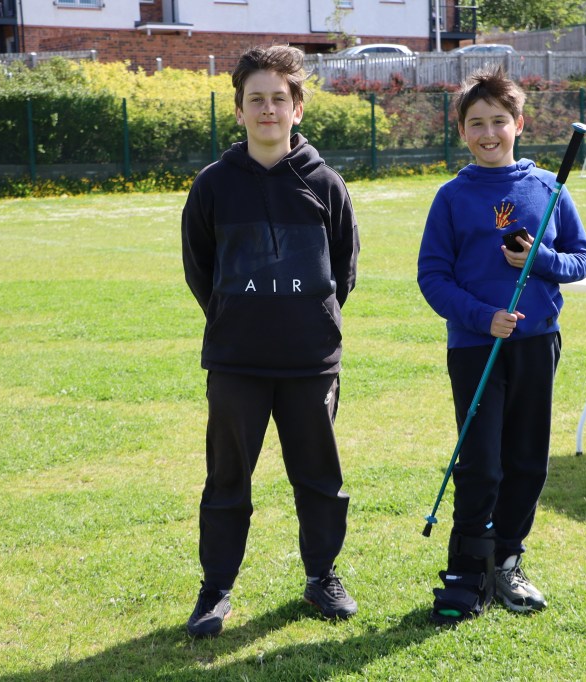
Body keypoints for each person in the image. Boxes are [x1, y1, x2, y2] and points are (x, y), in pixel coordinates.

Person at [180, 44, 360, 638]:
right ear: (238, 110)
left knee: (319, 479)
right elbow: (200, 270)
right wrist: (237, 316)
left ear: (297, 109)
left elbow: (344, 272)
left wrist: (308, 322)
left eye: (278, 99)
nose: (267, 110)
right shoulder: (212, 186)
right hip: (237, 362)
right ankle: (215, 590)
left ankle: (322, 576)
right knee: (227, 481)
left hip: (310, 362)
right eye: (255, 99)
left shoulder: (325, 183)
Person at [417, 65, 586, 625]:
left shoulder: (549, 189)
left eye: (499, 120)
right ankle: (467, 572)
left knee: (526, 461)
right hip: (476, 348)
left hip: (537, 344)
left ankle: (508, 562)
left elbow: (582, 260)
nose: (488, 133)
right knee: (481, 463)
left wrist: (539, 260)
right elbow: (433, 276)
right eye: (476, 123)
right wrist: (482, 317)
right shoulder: (451, 197)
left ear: (519, 123)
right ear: (461, 131)